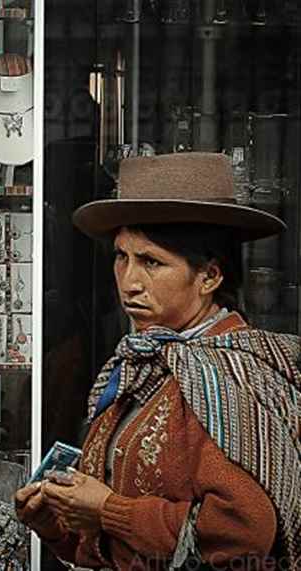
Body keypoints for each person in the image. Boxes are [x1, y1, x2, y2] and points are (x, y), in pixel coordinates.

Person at [15, 153, 299, 570]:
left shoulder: (233, 380)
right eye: (121, 257)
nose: (129, 282)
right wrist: (57, 524)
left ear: (209, 276)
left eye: (152, 262)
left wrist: (109, 510)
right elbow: (113, 542)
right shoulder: (144, 365)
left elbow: (242, 533)